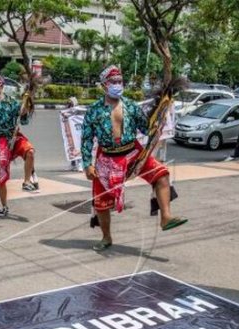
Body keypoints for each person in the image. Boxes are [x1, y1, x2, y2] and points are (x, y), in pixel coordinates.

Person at [80, 65, 188, 251]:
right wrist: (87, 165)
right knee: (101, 202)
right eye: (113, 82)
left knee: (161, 174)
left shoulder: (130, 106)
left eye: (120, 81)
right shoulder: (94, 111)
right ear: (104, 85)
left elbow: (146, 128)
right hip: (107, 158)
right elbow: (86, 138)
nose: (117, 85)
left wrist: (160, 113)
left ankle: (166, 217)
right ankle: (106, 237)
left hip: (133, 152)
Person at [0, 72, 37, 217]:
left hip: (14, 137)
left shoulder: (12, 102)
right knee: (1, 178)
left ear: (0, 85)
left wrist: (25, 111)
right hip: (0, 142)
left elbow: (23, 121)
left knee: (30, 151)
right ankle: (4, 207)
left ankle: (26, 182)